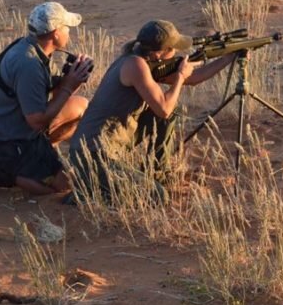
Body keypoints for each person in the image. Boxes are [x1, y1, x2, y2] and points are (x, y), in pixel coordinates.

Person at [67, 19, 238, 202]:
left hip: (107, 144)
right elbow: (163, 108)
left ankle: (157, 172)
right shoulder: (136, 66)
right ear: (159, 54)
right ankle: (88, 194)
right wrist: (180, 76)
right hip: (92, 153)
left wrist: (229, 57)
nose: (177, 53)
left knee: (171, 114)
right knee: (156, 196)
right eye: (173, 49)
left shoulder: (137, 61)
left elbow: (195, 78)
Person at [0, 1, 93, 197]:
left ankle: (41, 156)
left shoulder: (33, 49)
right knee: (64, 187)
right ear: (56, 33)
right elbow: (36, 121)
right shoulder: (29, 64)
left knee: (81, 106)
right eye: (66, 27)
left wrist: (69, 76)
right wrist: (68, 87)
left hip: (12, 127)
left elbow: (50, 96)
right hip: (3, 141)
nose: (69, 32)